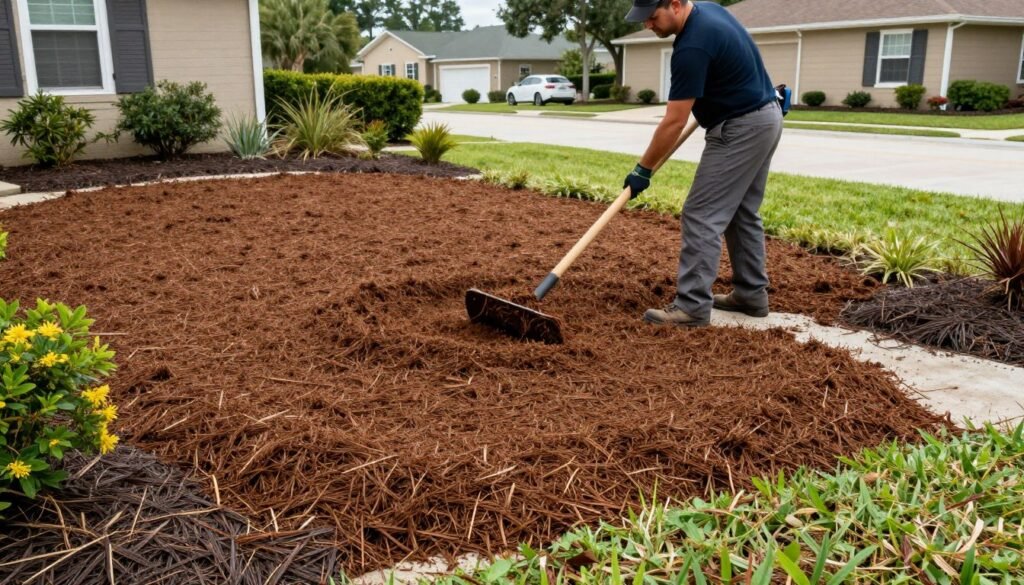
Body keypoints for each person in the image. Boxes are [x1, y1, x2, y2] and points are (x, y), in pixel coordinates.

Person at [622, 0, 783, 328]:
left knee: (702, 214)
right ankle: (751, 295)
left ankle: (692, 307)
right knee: (741, 212)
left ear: (676, 5)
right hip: (766, 115)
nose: (648, 26)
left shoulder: (692, 45)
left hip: (740, 126)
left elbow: (673, 122)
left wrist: (643, 170)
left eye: (652, 17)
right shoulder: (711, 12)